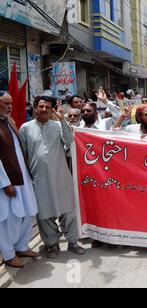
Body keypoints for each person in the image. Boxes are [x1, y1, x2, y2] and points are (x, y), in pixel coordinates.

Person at [19, 95, 86, 259]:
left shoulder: (58, 125)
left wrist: (63, 120)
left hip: (61, 176)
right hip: (39, 179)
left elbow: (70, 140)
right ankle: (52, 244)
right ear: (35, 108)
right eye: (41, 107)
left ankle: (72, 242)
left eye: (47, 107)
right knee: (45, 214)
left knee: (69, 211)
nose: (44, 110)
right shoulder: (25, 128)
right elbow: (23, 154)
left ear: (51, 110)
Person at [0, 92, 38, 268]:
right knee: (10, 219)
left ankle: (21, 246)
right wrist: (5, 183)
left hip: (23, 176)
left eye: (11, 103)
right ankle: (8, 254)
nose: (9, 107)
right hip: (8, 181)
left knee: (29, 211)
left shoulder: (10, 121)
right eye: (5, 103)